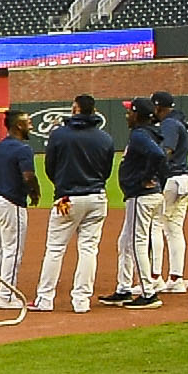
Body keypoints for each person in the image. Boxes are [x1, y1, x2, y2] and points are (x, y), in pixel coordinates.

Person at [32, 95, 114, 314]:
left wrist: (61, 184)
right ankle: (81, 300)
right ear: (93, 110)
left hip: (67, 198)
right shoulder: (105, 138)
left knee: (55, 249)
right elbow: (106, 170)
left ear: (75, 109)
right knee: (89, 249)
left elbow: (50, 166)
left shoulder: (59, 135)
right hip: (97, 196)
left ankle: (45, 298)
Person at [103, 100, 167, 309]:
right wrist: (158, 182)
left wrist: (147, 178)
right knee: (125, 242)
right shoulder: (147, 133)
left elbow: (158, 156)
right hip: (145, 195)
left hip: (141, 195)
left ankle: (148, 293)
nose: (127, 115)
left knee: (136, 242)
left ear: (138, 115)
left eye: (130, 111)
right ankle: (124, 289)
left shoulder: (140, 134)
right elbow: (162, 160)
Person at [0, 107, 39, 311]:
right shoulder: (23, 149)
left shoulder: (1, 147)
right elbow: (28, 176)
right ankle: (5, 296)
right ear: (19, 126)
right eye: (28, 122)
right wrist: (35, 193)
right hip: (10, 203)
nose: (31, 125)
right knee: (12, 251)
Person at [149, 91, 188, 292]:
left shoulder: (168, 124)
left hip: (172, 179)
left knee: (156, 225)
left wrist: (149, 172)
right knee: (174, 229)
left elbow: (165, 152)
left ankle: (154, 278)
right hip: (186, 179)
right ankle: (176, 279)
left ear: (158, 107)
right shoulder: (177, 122)